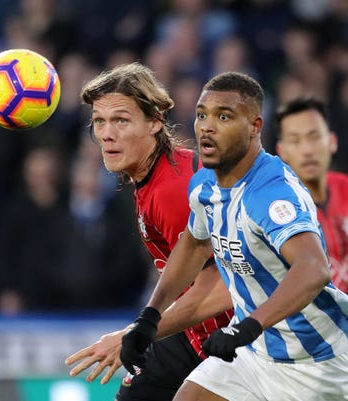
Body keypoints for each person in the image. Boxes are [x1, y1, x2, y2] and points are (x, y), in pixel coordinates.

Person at [120, 72, 348, 401]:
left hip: (318, 366)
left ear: (255, 127)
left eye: (224, 116)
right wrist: (150, 317)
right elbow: (194, 244)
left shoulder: (272, 193)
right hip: (253, 357)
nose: (207, 127)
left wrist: (247, 327)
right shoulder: (204, 185)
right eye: (202, 115)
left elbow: (314, 269)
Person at [64, 62, 233, 400]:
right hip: (194, 334)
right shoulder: (153, 178)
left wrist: (136, 333)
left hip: (238, 342)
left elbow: (226, 288)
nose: (107, 134)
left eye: (121, 120)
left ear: (155, 121)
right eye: (100, 121)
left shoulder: (173, 192)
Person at [274, 97, 348, 395]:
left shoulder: (344, 188)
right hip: (300, 355)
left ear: (332, 142)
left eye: (314, 137)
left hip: (345, 346)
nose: (308, 149)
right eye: (296, 140)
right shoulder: (279, 210)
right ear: (282, 151)